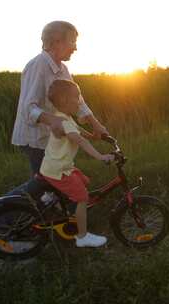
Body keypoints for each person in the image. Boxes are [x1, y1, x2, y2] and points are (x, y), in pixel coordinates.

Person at [0, 20, 108, 215]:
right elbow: (27, 107)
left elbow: (77, 100)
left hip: (48, 138)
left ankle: (48, 219)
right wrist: (52, 120)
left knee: (50, 182)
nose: (75, 47)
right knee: (45, 182)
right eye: (72, 41)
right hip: (34, 138)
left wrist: (95, 124)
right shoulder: (38, 65)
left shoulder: (62, 69)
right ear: (57, 41)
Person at [41, 79, 113, 247]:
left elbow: (79, 132)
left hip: (58, 166)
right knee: (82, 197)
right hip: (58, 170)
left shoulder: (65, 118)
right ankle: (82, 237)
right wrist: (101, 156)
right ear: (66, 100)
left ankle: (56, 203)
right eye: (77, 97)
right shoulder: (64, 122)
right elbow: (79, 140)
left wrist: (94, 135)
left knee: (84, 181)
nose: (80, 101)